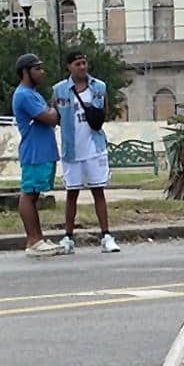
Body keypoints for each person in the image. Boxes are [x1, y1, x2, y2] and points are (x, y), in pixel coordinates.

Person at [53, 51, 120, 253]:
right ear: (69, 67)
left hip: (94, 147)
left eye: (84, 63)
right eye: (77, 64)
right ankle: (68, 236)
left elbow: (105, 111)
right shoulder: (60, 90)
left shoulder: (99, 87)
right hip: (72, 149)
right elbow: (55, 113)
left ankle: (106, 234)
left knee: (98, 191)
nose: (82, 67)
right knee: (71, 192)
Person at [11, 54, 63, 258]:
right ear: (26, 72)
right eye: (37, 69)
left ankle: (38, 238)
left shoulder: (33, 94)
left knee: (34, 194)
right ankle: (33, 240)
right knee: (29, 194)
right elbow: (50, 117)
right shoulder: (24, 95)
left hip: (44, 151)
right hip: (34, 152)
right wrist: (56, 106)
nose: (42, 72)